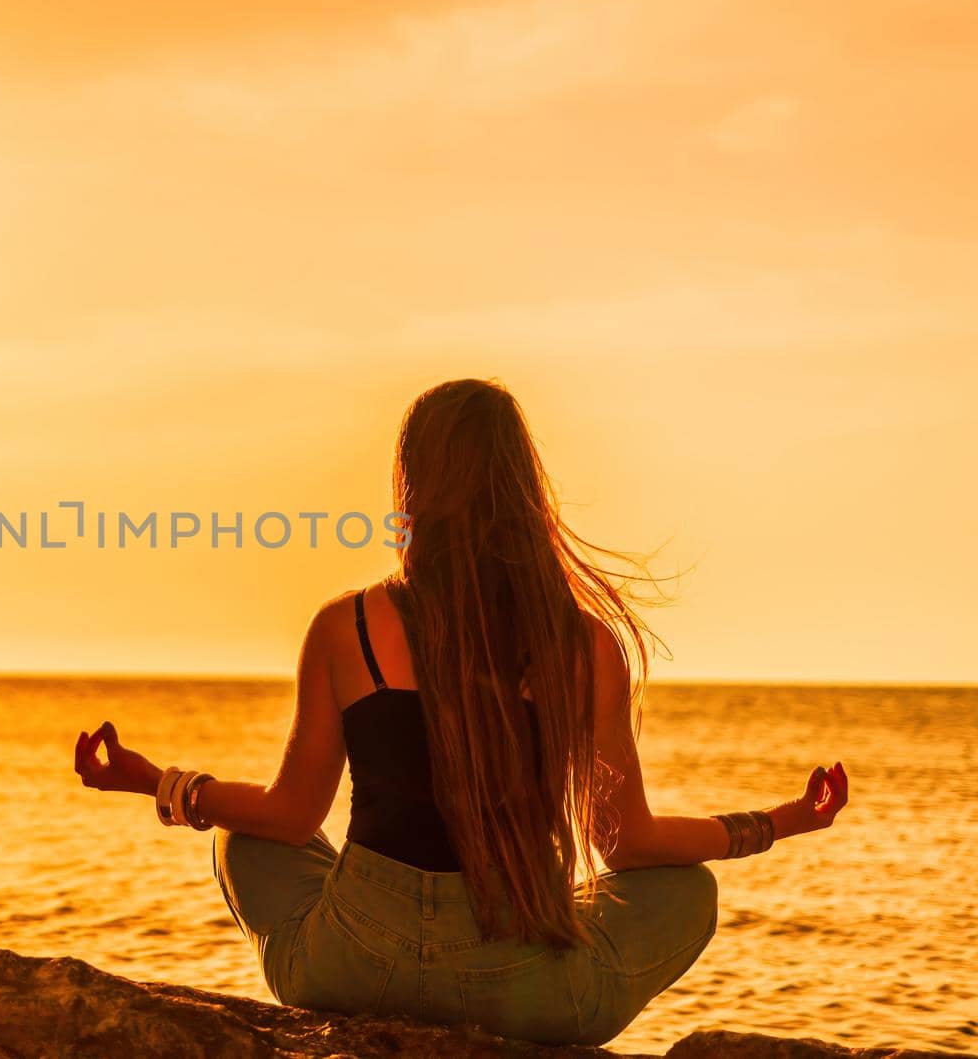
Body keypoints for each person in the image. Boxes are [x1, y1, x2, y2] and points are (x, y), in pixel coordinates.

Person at [72, 378, 849, 1046]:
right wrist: (773, 822)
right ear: (523, 488)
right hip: (526, 992)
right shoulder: (582, 645)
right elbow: (628, 844)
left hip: (352, 967)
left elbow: (286, 812)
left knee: (242, 841)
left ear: (412, 484)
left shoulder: (347, 628)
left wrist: (163, 785)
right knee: (688, 892)